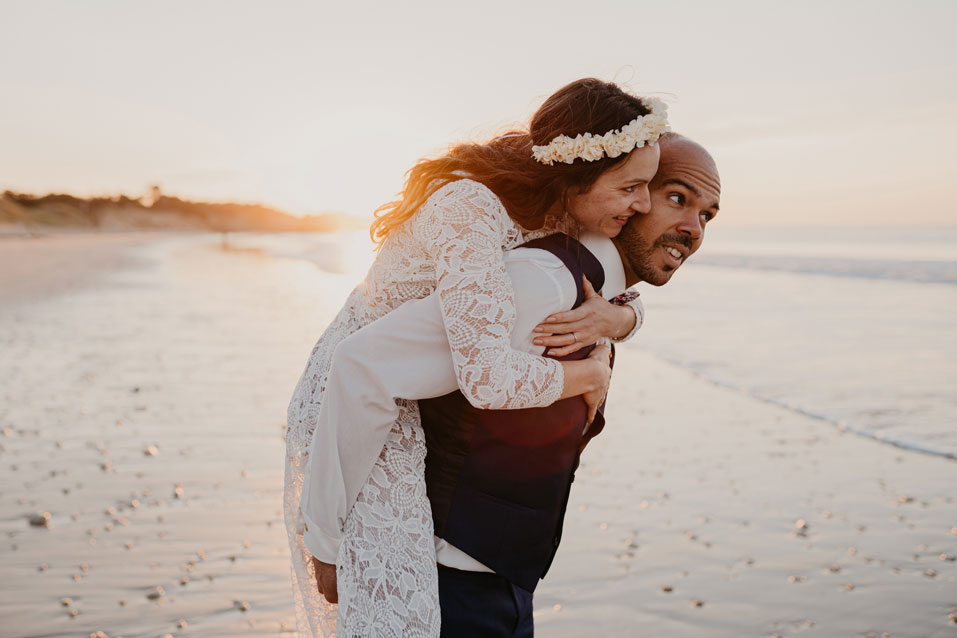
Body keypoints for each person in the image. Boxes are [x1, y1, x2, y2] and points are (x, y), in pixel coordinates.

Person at [285, 78, 669, 638]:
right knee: (385, 602)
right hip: (356, 394)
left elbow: (614, 289)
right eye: (631, 187)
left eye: (651, 186)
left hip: (409, 375)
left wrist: (627, 320)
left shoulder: (561, 212)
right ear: (575, 174)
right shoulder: (470, 209)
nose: (643, 204)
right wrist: (588, 371)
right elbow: (485, 378)